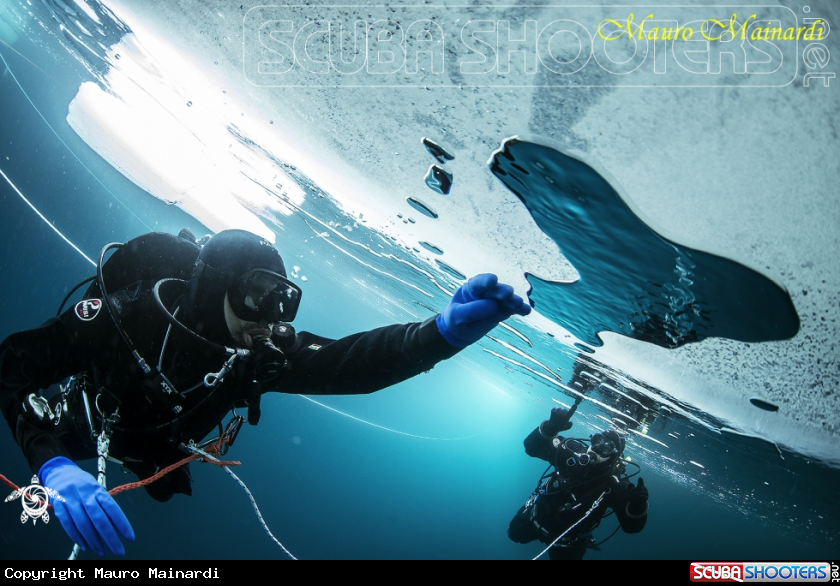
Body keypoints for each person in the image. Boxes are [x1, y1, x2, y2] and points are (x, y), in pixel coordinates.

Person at [0, 228, 531, 557]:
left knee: (162, 482)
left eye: (284, 299)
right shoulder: (128, 315)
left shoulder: (256, 357)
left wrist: (438, 334)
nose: (272, 316)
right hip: (86, 425)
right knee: (53, 481)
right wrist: (50, 463)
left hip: (163, 449)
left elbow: (351, 364)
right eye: (257, 294)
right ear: (214, 287)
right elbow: (12, 364)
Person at [508, 406, 649, 560]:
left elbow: (631, 527)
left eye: (607, 448)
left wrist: (638, 507)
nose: (597, 449)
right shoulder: (571, 451)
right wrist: (550, 428)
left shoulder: (616, 484)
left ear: (614, 456)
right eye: (597, 441)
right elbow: (531, 447)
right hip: (536, 517)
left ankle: (586, 538)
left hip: (568, 542)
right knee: (513, 534)